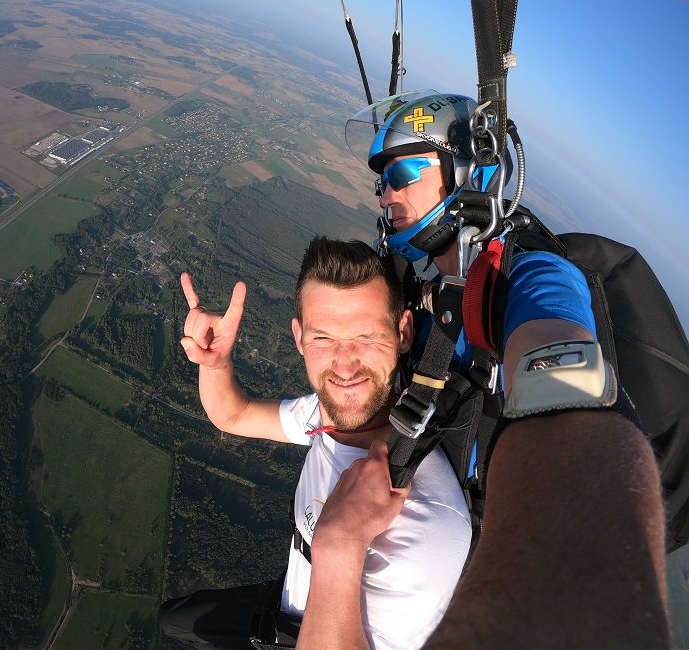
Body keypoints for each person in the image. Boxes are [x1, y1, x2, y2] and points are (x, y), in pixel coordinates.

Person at [298, 90, 669, 648]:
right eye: (383, 180)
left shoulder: (529, 276)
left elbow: (569, 388)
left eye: (400, 172)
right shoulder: (432, 291)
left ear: (467, 171)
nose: (386, 192)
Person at [160, 237, 472, 650]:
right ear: (299, 338)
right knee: (171, 619)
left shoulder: (428, 525)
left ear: (403, 334)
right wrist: (217, 364)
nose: (345, 364)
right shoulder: (324, 416)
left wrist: (341, 546)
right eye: (323, 338)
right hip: (283, 612)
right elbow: (232, 415)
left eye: (366, 335)